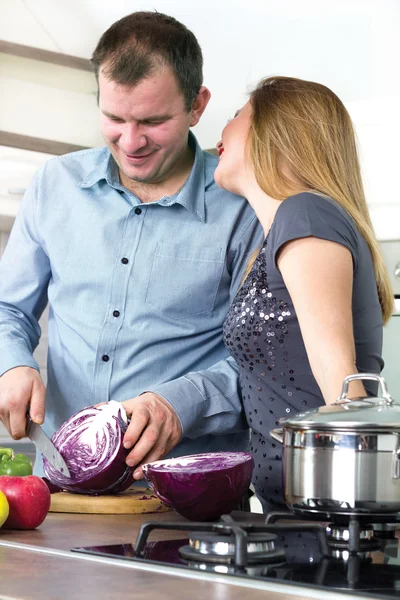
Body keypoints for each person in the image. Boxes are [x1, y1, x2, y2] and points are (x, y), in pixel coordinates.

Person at [0, 12, 262, 479]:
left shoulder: (243, 208)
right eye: (114, 118)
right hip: (56, 492)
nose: (131, 140)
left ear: (197, 106)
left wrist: (181, 403)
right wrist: (11, 365)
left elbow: (265, 362)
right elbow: (8, 310)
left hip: (188, 494)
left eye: (152, 121)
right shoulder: (53, 185)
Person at [214, 76, 393, 512]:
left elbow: (344, 387)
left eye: (238, 114)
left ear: (273, 131)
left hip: (324, 517)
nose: (223, 126)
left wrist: (353, 514)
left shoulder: (306, 214)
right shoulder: (287, 228)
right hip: (296, 512)